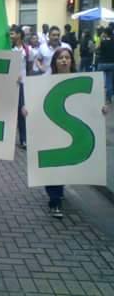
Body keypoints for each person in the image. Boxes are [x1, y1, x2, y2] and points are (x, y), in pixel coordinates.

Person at [22, 47, 108, 219]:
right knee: (53, 165)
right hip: (50, 131)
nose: (64, 60)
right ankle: (55, 200)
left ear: (71, 61)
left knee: (63, 164)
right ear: (54, 62)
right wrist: (26, 109)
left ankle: (57, 193)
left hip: (71, 133)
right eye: (60, 58)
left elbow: (90, 105)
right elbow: (35, 103)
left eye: (67, 57)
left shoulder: (81, 80)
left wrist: (102, 109)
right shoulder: (44, 81)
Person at [10, 25, 30, 149]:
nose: (10, 36)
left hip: (22, 85)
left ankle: (23, 139)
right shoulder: (8, 49)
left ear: (19, 35)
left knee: (22, 112)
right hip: (9, 84)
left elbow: (29, 66)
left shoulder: (27, 50)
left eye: (12, 33)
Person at [97, 26, 114, 103]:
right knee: (109, 81)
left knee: (98, 79)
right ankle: (109, 98)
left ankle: (97, 96)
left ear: (106, 33)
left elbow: (98, 49)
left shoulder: (103, 41)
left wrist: (101, 38)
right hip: (112, 63)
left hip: (102, 63)